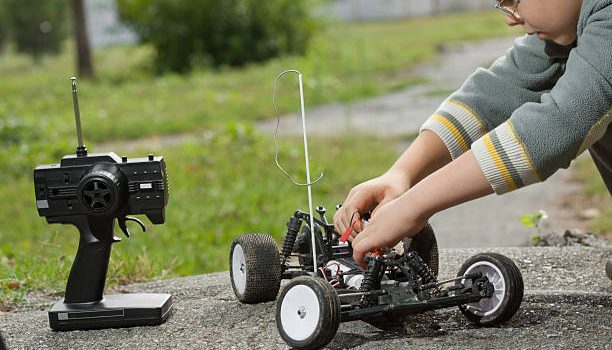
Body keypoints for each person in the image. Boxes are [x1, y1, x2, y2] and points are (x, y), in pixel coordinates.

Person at [333, 0, 611, 266]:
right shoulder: (573, 27)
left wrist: (413, 206)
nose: (510, 16)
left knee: (594, 108)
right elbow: (495, 94)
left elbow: (558, 125)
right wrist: (400, 175)